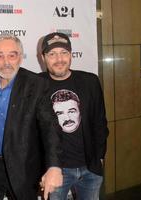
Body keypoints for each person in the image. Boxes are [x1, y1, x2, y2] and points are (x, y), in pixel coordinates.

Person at [0, 34, 63, 200]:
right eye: (0, 56)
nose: (6, 62)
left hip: (23, 167)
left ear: (20, 57)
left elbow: (50, 128)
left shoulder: (36, 84)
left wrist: (54, 166)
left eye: (12, 55)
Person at [40, 32, 109, 200]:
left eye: (64, 53)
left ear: (71, 54)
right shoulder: (35, 85)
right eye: (52, 54)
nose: (59, 59)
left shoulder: (90, 81)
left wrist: (99, 156)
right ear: (43, 58)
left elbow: (100, 121)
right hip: (55, 170)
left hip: (90, 169)